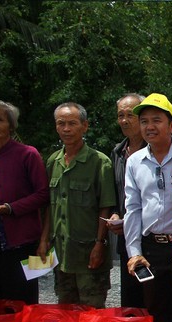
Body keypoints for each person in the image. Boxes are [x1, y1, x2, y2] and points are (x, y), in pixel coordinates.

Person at [124, 93, 172, 322]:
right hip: (151, 250)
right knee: (156, 316)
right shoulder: (135, 162)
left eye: (156, 120)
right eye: (144, 121)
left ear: (171, 125)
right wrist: (134, 252)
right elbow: (133, 208)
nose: (149, 127)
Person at [40, 102, 116, 308]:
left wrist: (100, 244)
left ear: (85, 126)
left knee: (92, 314)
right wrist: (44, 240)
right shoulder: (53, 161)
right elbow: (49, 205)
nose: (66, 129)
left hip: (89, 254)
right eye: (61, 123)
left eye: (72, 123)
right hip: (62, 254)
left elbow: (106, 207)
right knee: (65, 311)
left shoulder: (100, 162)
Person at [0, 100, 49, 304]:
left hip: (22, 245)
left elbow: (43, 194)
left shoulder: (28, 154)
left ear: (11, 125)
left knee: (23, 303)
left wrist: (9, 208)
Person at [107, 93, 147, 308]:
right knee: (131, 302)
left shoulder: (157, 149)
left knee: (154, 300)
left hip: (151, 238)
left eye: (130, 115)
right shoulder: (117, 152)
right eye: (120, 115)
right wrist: (115, 214)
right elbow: (115, 192)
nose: (124, 120)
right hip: (126, 237)